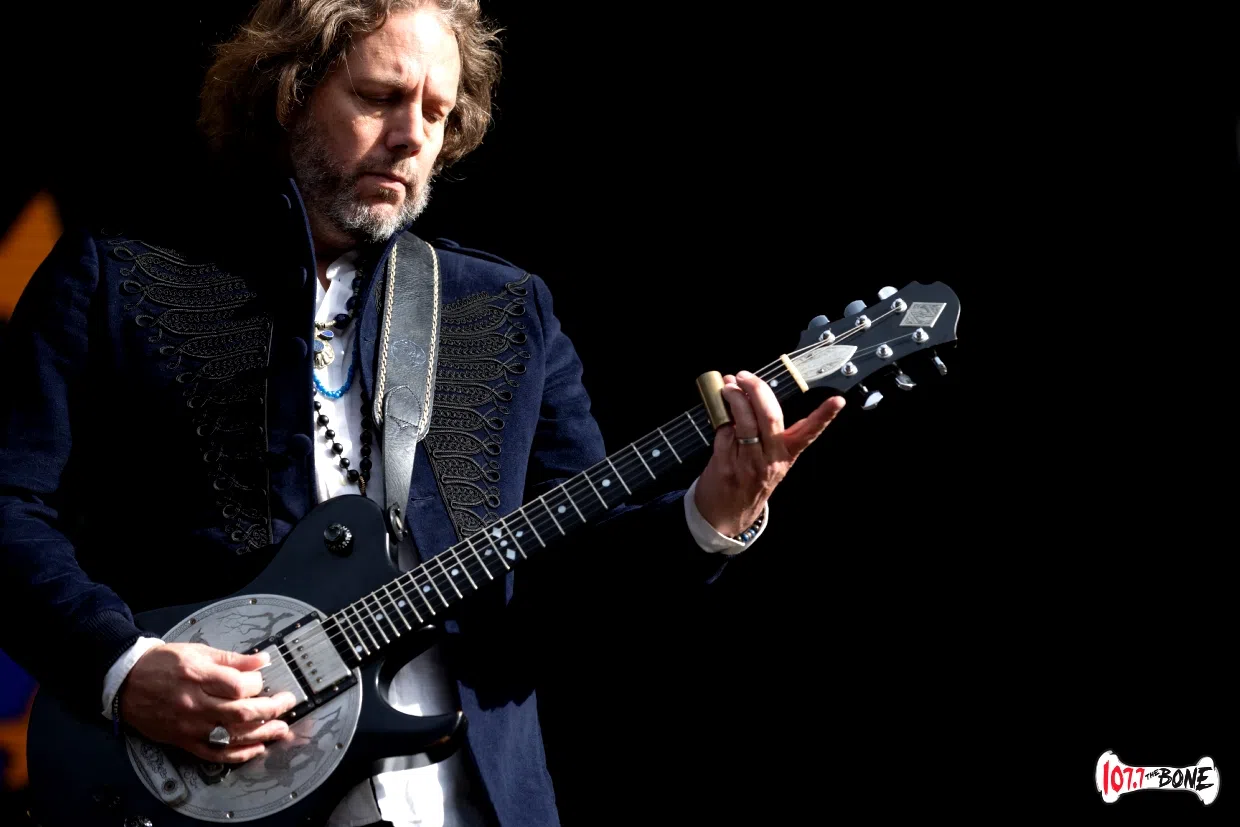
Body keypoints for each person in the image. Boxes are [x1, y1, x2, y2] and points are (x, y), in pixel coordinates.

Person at [0, 1, 846, 825]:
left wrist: (712, 513)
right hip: (184, 788)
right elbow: (7, 505)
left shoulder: (502, 311)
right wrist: (121, 666)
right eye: (380, 97)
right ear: (291, 92)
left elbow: (577, 584)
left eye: (437, 113)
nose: (412, 135)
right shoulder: (124, 275)